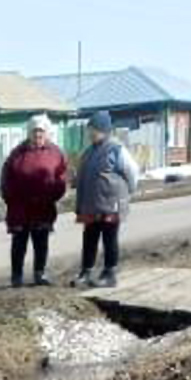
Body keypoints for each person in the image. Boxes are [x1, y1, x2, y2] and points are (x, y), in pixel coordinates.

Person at [0, 113, 68, 287]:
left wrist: (54, 195)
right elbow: (6, 178)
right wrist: (11, 199)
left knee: (41, 241)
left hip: (43, 206)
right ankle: (16, 276)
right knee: (19, 243)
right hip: (20, 207)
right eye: (35, 132)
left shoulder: (55, 153)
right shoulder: (17, 153)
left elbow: (61, 177)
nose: (38, 136)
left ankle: (40, 273)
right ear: (29, 133)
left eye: (41, 132)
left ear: (47, 134)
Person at [73, 110, 140, 289]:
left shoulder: (116, 149)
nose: (90, 133)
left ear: (103, 130)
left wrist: (128, 193)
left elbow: (132, 172)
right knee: (89, 238)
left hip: (111, 204)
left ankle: (110, 274)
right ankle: (86, 272)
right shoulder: (88, 152)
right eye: (89, 130)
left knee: (109, 238)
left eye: (93, 129)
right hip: (91, 205)